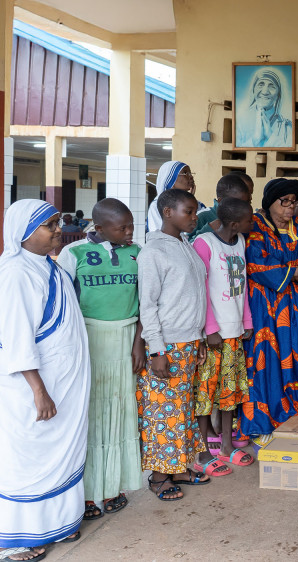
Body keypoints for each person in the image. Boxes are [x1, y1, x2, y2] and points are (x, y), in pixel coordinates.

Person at [0, 200, 88, 560]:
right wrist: (39, 390)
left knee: (60, 457)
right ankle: (19, 538)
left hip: (63, 384)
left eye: (57, 222)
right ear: (22, 233)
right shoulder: (16, 273)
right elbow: (16, 340)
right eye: (48, 225)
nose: (57, 229)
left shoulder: (49, 267)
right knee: (30, 461)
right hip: (37, 389)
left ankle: (58, 523)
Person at [57, 198, 143, 521]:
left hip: (125, 342)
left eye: (131, 225)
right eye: (122, 227)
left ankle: (113, 486)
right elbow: (65, 304)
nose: (130, 231)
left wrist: (138, 341)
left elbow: (145, 301)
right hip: (89, 341)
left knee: (120, 413)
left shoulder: (137, 254)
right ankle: (88, 492)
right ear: (100, 227)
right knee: (91, 417)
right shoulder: (73, 254)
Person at [137, 189, 211, 501]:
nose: (195, 217)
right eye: (189, 211)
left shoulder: (185, 245)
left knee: (183, 411)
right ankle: (158, 477)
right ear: (168, 212)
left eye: (195, 212)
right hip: (167, 346)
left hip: (190, 341)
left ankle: (179, 467)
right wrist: (156, 350)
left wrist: (201, 337)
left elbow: (194, 296)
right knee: (163, 414)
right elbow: (148, 306)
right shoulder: (153, 252)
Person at [241, 179, 298, 444]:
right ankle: (263, 420)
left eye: (293, 201)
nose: (290, 207)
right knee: (266, 358)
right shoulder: (255, 225)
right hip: (266, 304)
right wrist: (293, 271)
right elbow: (255, 263)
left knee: (297, 351)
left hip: (296, 304)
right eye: (283, 201)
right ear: (270, 203)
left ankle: (293, 408)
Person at [192, 198, 256, 476]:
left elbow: (242, 285)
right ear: (233, 222)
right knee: (205, 395)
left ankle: (227, 447)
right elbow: (200, 288)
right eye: (248, 220)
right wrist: (210, 329)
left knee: (230, 393)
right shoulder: (205, 243)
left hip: (234, 333)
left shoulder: (240, 241)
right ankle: (203, 448)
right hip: (214, 335)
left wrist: (247, 321)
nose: (251, 225)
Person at [237, 68, 293, 148]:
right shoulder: (240, 122)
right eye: (261, 84)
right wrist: (255, 140)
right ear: (254, 89)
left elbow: (288, 156)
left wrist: (270, 135)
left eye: (272, 86)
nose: (265, 91)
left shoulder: (287, 127)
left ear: (278, 94)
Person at [189, 173, 254, 240]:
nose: (241, 208)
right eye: (236, 203)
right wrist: (209, 228)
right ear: (221, 201)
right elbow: (187, 245)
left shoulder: (245, 218)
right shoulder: (202, 217)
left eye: (246, 203)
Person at [147, 161, 199, 233]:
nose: (191, 176)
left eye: (190, 173)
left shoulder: (198, 204)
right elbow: (158, 235)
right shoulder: (157, 206)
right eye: (186, 173)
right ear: (171, 179)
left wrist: (190, 200)